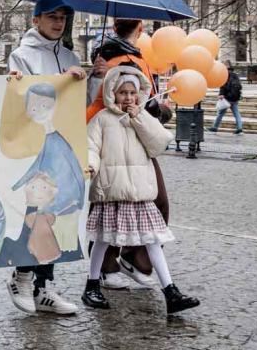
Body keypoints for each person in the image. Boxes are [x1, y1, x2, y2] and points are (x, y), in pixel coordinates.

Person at [82, 67, 200, 314]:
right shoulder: (102, 119)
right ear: (112, 93)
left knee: (152, 240)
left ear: (139, 94)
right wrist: (90, 166)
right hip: (112, 191)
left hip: (139, 193)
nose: (128, 97)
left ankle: (170, 291)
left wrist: (140, 118)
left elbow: (159, 143)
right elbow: (91, 147)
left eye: (132, 92)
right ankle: (91, 285)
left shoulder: (143, 118)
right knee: (103, 240)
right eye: (122, 92)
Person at [1, 0, 85, 316]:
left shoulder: (69, 56)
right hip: (34, 144)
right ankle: (22, 275)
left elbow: (78, 105)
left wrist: (84, 80)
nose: (58, 22)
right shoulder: (22, 55)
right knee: (34, 209)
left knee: (59, 213)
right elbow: (21, 97)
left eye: (63, 17)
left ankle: (44, 286)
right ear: (36, 20)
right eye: (52, 17)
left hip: (61, 144)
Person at [89, 18, 170, 288]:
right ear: (141, 29)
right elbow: (106, 99)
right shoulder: (124, 60)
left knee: (120, 205)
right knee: (129, 204)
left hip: (132, 135)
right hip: (116, 134)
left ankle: (116, 265)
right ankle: (123, 263)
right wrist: (158, 109)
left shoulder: (114, 57)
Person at [212, 61, 243, 133]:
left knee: (220, 114)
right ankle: (239, 128)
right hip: (235, 98)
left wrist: (221, 94)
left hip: (227, 98)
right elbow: (239, 86)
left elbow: (222, 86)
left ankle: (215, 127)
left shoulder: (225, 75)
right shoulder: (235, 75)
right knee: (236, 113)